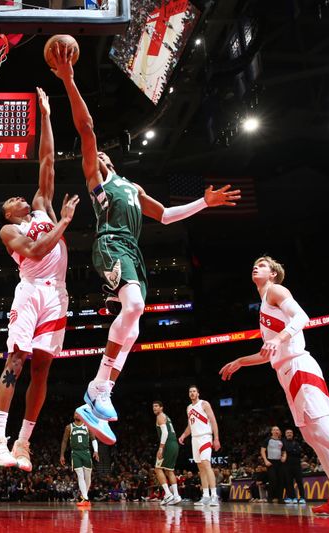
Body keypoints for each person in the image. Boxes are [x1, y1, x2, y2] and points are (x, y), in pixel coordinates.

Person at [50, 43, 240, 437]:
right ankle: (97, 388)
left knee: (134, 324)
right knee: (133, 306)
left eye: (102, 153)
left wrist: (203, 202)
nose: (96, 153)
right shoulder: (96, 180)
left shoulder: (132, 187)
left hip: (132, 251)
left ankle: (100, 394)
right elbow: (86, 129)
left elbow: (167, 216)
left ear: (112, 161)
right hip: (110, 243)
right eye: (93, 153)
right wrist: (68, 80)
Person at [0, 86, 87, 470]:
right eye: (12, 199)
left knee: (43, 367)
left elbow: (47, 159)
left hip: (57, 295)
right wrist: (63, 222)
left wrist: (46, 116)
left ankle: (23, 443)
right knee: (16, 360)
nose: (18, 197)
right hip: (30, 293)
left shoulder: (42, 204)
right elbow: (35, 251)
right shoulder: (9, 233)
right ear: (8, 214)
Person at [220, 255, 329, 516]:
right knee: (312, 435)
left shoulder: (275, 290)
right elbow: (268, 353)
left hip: (299, 366)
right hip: (286, 372)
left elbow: (302, 316)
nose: (256, 266)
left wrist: (281, 337)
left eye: (263, 265)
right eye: (256, 263)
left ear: (273, 273)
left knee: (322, 430)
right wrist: (240, 360)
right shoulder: (264, 308)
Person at [177, 385, 220, 506]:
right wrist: (183, 435)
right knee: (200, 468)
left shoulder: (204, 404)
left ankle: (214, 495)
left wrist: (216, 438)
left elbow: (213, 421)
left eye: (194, 391)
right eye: (190, 391)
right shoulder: (189, 408)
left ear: (198, 393)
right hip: (194, 439)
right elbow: (190, 426)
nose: (192, 393)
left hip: (205, 436)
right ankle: (205, 496)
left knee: (206, 464)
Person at [60, 410, 100, 507]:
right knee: (80, 475)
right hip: (75, 453)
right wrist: (62, 455)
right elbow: (64, 441)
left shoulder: (88, 426)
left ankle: (84, 496)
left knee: (88, 477)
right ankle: (86, 499)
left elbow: (93, 439)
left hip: (86, 452)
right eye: (75, 413)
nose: (76, 415)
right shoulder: (69, 427)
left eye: (78, 413)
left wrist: (96, 451)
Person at [152, 401, 181, 506]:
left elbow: (165, 432)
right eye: (153, 406)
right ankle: (176, 496)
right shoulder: (167, 417)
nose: (154, 408)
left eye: (156, 406)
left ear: (161, 408)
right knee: (170, 471)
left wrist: (161, 448)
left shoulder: (160, 416)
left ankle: (168, 494)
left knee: (157, 468)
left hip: (167, 445)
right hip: (174, 444)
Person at [260, 426, 287, 503]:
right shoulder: (267, 440)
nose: (276, 431)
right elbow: (262, 451)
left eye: (277, 429)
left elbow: (284, 451)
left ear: (279, 431)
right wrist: (265, 460)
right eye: (274, 430)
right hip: (271, 462)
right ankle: (270, 497)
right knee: (273, 480)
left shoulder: (281, 441)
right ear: (271, 431)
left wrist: (284, 457)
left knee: (281, 481)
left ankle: (280, 498)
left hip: (279, 462)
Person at [283, 428, 307, 504]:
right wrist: (293, 451)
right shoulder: (283, 443)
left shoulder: (297, 442)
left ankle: (302, 497)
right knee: (289, 482)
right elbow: (292, 451)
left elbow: (299, 453)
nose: (289, 434)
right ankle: (292, 497)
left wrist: (289, 451)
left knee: (299, 482)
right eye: (288, 433)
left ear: (292, 434)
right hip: (287, 466)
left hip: (297, 465)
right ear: (285, 434)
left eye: (290, 432)